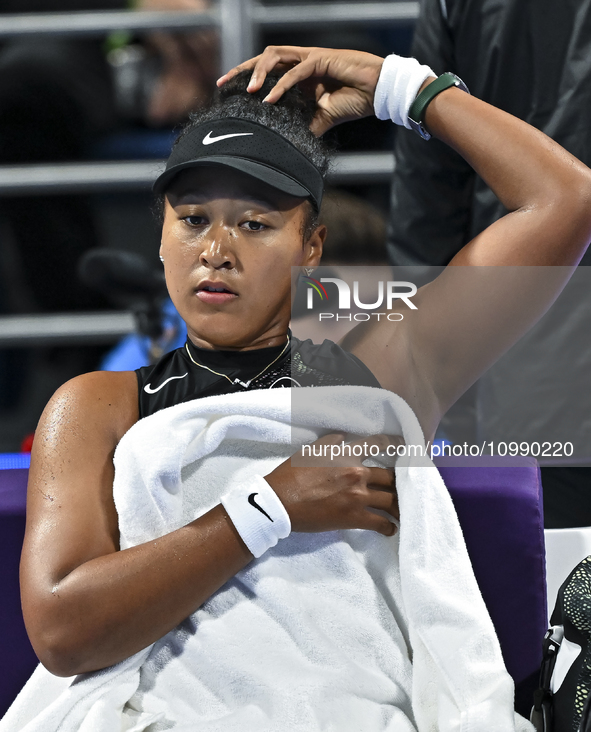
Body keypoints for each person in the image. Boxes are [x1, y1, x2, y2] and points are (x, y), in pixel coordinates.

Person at [8, 45, 591, 730]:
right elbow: (62, 631)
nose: (215, 249)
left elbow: (566, 198)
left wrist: (397, 87)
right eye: (191, 219)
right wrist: (267, 509)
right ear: (161, 237)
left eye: (254, 224)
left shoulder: (385, 371)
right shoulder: (95, 406)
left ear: (309, 248)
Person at [386, 0, 591, 527]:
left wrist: (439, 366)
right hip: (531, 351)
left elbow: (428, 197)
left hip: (526, 356)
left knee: (554, 593)